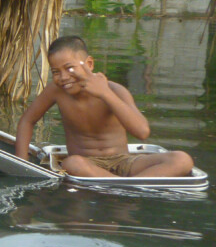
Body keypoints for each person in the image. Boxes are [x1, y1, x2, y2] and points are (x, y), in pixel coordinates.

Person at [15, 35, 194, 178]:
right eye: (55, 72)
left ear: (89, 64)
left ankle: (122, 186)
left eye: (69, 68)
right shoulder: (55, 91)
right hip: (87, 164)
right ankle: (125, 186)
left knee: (182, 159)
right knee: (72, 163)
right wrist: (21, 165)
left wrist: (104, 93)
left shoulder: (114, 90)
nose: (63, 77)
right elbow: (27, 121)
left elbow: (142, 132)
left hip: (124, 162)